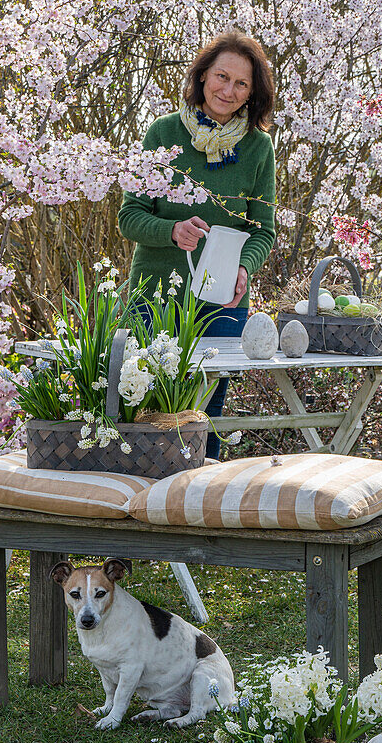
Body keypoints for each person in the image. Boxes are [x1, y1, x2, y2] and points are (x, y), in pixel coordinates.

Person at [118, 30, 276, 457]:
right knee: (143, 418)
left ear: (252, 93)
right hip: (153, 297)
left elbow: (264, 229)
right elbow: (128, 216)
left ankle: (197, 512)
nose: (228, 90)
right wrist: (170, 231)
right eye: (222, 77)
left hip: (221, 303)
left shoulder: (259, 148)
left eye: (241, 83)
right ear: (203, 75)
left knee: (203, 425)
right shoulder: (163, 133)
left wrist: (245, 267)